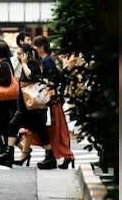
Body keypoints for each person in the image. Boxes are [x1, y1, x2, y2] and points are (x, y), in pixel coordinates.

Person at [0, 43, 57, 169]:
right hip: (27, 106)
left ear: (27, 54)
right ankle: (48, 157)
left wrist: (23, 63)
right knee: (38, 129)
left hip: (31, 106)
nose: (18, 56)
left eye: (20, 53)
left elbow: (30, 75)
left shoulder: (33, 64)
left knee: (18, 126)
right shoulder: (30, 63)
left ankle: (10, 155)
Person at [28, 35, 75, 169]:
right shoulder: (49, 59)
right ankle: (64, 156)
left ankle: (66, 155)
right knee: (57, 129)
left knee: (57, 129)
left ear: (41, 47)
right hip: (53, 99)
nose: (34, 50)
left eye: (35, 47)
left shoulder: (47, 60)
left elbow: (53, 80)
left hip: (51, 100)